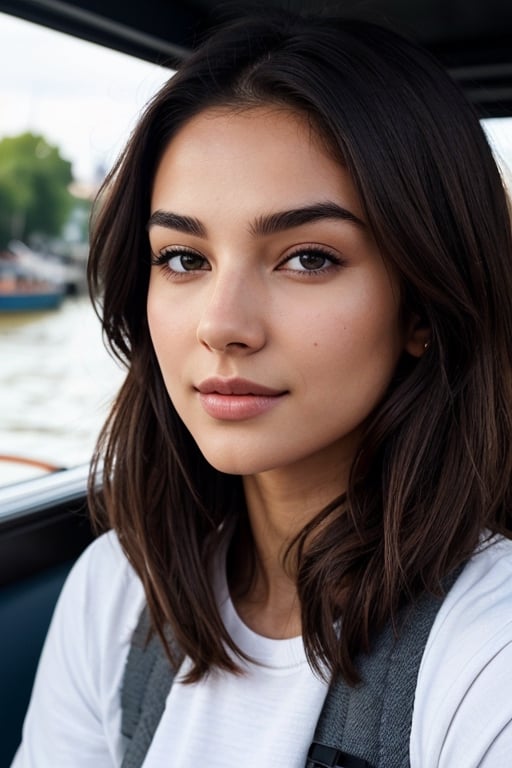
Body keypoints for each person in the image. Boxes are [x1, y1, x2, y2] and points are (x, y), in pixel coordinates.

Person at [12, 8, 512, 767]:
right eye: (183, 258)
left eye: (308, 258)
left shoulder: (489, 652)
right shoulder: (115, 593)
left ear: (424, 304)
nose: (223, 325)